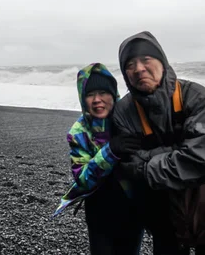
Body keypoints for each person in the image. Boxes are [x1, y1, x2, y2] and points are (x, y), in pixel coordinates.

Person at [112, 31, 205, 255]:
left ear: (162, 62)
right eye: (130, 64)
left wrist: (147, 160)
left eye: (146, 59)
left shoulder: (196, 97)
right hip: (162, 218)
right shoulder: (123, 111)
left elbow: (200, 162)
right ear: (125, 73)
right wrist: (178, 151)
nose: (139, 68)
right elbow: (127, 165)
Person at [53, 62, 144, 255]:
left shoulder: (131, 122)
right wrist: (110, 152)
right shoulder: (79, 133)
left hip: (134, 210)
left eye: (103, 92)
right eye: (89, 94)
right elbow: (83, 180)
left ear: (114, 94)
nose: (97, 100)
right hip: (100, 212)